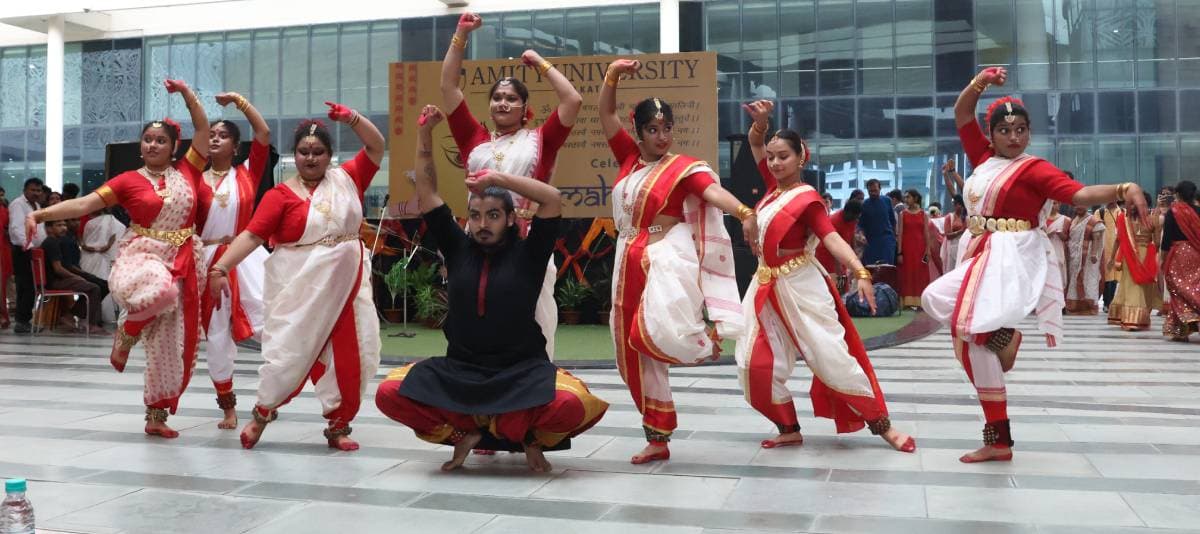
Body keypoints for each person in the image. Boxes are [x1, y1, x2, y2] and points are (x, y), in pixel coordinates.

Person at [920, 66, 1150, 463]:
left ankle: (1000, 339)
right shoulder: (982, 157)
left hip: (1010, 254)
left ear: (1029, 132)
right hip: (979, 250)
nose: (1014, 137)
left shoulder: (1035, 168)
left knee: (940, 303)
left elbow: (1078, 194)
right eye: (1005, 130)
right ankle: (999, 438)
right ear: (991, 134)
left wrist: (1122, 187)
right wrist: (979, 81)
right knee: (970, 342)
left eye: (1021, 130)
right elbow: (962, 113)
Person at [375, 105, 608, 472]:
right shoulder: (458, 247)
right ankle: (471, 433)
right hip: (461, 372)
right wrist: (424, 134)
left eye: (494, 215)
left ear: (511, 218)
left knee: (573, 404)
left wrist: (499, 178)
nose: (483, 224)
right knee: (388, 393)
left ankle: (515, 432)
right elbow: (426, 188)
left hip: (520, 374)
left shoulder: (529, 253)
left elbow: (551, 198)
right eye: (476, 215)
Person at [26, 78, 212, 438]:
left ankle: (155, 416)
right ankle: (127, 332)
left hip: (186, 258)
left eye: (160, 140)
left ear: (174, 148)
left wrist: (188, 94)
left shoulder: (189, 170)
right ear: (140, 146)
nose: (153, 144)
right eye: (148, 139)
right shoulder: (128, 180)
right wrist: (41, 214)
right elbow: (83, 204)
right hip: (144, 255)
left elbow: (202, 128)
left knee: (169, 344)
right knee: (162, 291)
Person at [736, 100, 916, 453]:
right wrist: (761, 122)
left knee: (831, 358)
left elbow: (832, 239)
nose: (774, 162)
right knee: (751, 363)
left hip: (801, 286)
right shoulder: (773, 188)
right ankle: (788, 427)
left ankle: (883, 425)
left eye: (783, 156)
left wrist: (860, 271)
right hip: (765, 285)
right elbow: (756, 143)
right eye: (771, 157)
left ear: (800, 158)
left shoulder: (807, 200)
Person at [208, 101, 383, 452]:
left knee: (355, 355)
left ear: (330, 156)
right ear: (295, 155)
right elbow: (252, 236)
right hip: (300, 287)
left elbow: (376, 145)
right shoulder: (280, 195)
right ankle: (262, 413)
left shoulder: (348, 179)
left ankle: (339, 426)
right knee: (288, 354)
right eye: (304, 152)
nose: (311, 158)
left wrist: (352, 118)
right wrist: (220, 267)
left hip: (347, 287)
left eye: (318, 152)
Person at [601, 59, 751, 464]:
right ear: (638, 132)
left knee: (647, 339)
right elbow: (605, 113)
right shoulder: (628, 159)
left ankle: (660, 430)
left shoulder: (683, 169)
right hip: (625, 261)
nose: (662, 136)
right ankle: (656, 431)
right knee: (627, 350)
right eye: (653, 129)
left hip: (658, 263)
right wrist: (613, 75)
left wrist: (745, 213)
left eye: (667, 128)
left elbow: (713, 193)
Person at [441, 12, 581, 361]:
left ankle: (534, 380)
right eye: (498, 97)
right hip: (478, 239)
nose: (503, 102)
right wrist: (461, 34)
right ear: (490, 105)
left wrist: (540, 63)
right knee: (475, 314)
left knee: (534, 318)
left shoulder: (541, 140)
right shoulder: (473, 139)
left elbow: (573, 101)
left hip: (526, 242)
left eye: (512, 98)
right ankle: (474, 379)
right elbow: (448, 87)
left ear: (524, 108)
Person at [199, 91, 272, 430]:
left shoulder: (247, 173)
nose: (215, 138)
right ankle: (228, 408)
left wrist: (240, 102)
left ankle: (272, 395)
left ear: (236, 146)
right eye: (211, 134)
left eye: (223, 135)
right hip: (207, 261)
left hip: (246, 256)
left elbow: (264, 134)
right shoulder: (193, 178)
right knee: (216, 335)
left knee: (270, 325)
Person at [40, 219, 107, 334]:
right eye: (59, 225)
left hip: (55, 280)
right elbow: (58, 269)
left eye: (64, 225)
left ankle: (70, 314)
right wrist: (75, 277)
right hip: (55, 282)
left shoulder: (53, 241)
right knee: (94, 288)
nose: (63, 228)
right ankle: (91, 324)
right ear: (48, 228)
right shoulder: (52, 243)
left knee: (93, 286)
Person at [1107, 192, 1162, 331]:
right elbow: (1119, 239)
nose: (1131, 206)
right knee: (1132, 285)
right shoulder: (1124, 219)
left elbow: (1156, 243)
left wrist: (1157, 226)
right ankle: (1133, 319)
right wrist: (1112, 258)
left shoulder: (1151, 219)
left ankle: (1138, 317)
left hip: (1144, 256)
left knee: (1143, 286)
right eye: (1130, 203)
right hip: (1131, 256)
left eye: (1134, 203)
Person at [1162, 181, 1200, 341]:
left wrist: (1163, 258)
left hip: (1178, 254)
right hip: (1196, 253)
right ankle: (1184, 325)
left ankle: (1183, 328)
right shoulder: (1198, 211)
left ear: (1177, 194)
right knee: (1194, 286)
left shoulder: (1174, 211)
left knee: (1177, 289)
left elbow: (1167, 238)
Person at [9, 178, 46, 333]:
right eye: (33, 190)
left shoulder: (36, 205)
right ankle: (22, 321)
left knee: (33, 287)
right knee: (26, 287)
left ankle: (24, 320)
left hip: (35, 250)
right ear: (25, 190)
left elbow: (40, 230)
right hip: (23, 250)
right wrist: (29, 247)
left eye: (38, 190)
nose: (36, 193)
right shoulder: (18, 204)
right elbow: (16, 228)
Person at [79, 208, 125, 323]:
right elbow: (115, 237)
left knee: (94, 285)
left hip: (91, 257)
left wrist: (92, 248)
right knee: (101, 285)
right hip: (103, 258)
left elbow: (84, 241)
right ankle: (97, 316)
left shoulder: (90, 223)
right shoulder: (114, 222)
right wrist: (104, 247)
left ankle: (90, 316)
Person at [896, 189, 936, 309]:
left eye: (908, 197)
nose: (906, 199)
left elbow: (926, 233)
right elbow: (900, 233)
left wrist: (928, 250)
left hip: (920, 248)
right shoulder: (902, 214)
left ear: (915, 198)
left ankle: (921, 301)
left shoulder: (923, 214)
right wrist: (899, 252)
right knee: (906, 274)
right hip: (907, 248)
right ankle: (906, 302)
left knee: (921, 274)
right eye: (905, 197)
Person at [1065, 206, 1105, 315]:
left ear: (1087, 206)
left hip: (1088, 258)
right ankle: (1073, 307)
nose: (1079, 207)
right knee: (1073, 280)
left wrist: (1094, 254)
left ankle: (1089, 307)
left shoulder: (1093, 221)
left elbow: (1097, 238)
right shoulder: (1073, 220)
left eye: (1082, 204)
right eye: (1077, 205)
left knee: (1088, 280)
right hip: (1074, 256)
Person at [816, 199, 863, 283]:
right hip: (827, 255)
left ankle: (841, 290)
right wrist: (838, 266)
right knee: (834, 282)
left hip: (841, 254)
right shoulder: (834, 221)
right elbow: (834, 247)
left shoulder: (852, 219)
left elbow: (851, 235)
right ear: (848, 213)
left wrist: (854, 254)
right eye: (855, 217)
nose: (856, 220)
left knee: (842, 281)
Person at [860, 179, 896, 265]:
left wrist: (893, 238)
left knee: (887, 268)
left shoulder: (887, 201)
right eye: (870, 191)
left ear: (880, 189)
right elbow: (861, 224)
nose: (873, 193)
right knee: (872, 267)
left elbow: (892, 221)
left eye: (875, 190)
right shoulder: (864, 204)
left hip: (887, 240)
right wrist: (862, 236)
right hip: (871, 242)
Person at [1099, 201, 1122, 311]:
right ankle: (1106, 302)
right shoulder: (1100, 212)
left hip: (1119, 250)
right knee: (1106, 277)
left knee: (1115, 278)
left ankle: (1111, 302)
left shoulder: (1122, 212)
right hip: (1105, 249)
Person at [1042, 201, 1069, 294]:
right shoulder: (1041, 219)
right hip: (1043, 250)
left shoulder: (1065, 219)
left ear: (1059, 205)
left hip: (1058, 250)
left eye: (1055, 203)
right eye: (1051, 203)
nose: (1053, 206)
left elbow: (1067, 238)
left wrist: (1060, 234)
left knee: (1057, 273)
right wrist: (1048, 235)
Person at [938, 194, 968, 272]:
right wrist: (960, 232)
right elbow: (947, 235)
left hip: (964, 245)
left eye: (959, 205)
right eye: (956, 204)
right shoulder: (949, 217)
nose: (958, 206)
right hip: (952, 246)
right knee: (951, 269)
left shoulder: (966, 217)